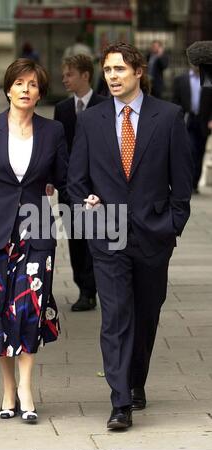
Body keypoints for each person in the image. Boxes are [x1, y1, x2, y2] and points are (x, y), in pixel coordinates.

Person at [67, 42, 193, 430]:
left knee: (145, 316)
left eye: (120, 69)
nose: (113, 76)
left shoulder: (169, 117)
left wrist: (171, 227)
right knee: (116, 317)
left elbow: (182, 184)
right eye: (108, 70)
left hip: (153, 237)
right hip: (107, 237)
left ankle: (136, 382)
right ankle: (119, 401)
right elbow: (75, 180)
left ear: (139, 71)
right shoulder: (91, 120)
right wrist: (87, 207)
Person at [0, 58, 68, 423]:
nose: (25, 89)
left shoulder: (53, 132)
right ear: (7, 88)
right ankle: (7, 388)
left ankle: (25, 387)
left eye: (33, 84)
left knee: (29, 312)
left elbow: (64, 179)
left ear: (40, 93)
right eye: (19, 83)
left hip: (35, 234)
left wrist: (91, 205)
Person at [54, 54, 107, 311]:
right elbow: (58, 147)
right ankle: (85, 290)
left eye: (69, 74)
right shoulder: (62, 109)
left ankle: (100, 286)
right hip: (70, 187)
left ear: (85, 75)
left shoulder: (105, 104)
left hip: (100, 187)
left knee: (99, 238)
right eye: (64, 75)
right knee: (76, 239)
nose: (64, 79)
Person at [173, 63, 212, 193]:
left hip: (203, 121)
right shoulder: (180, 80)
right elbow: (175, 101)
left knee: (199, 152)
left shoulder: (208, 80)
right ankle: (186, 182)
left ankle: (194, 183)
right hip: (187, 120)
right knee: (189, 150)